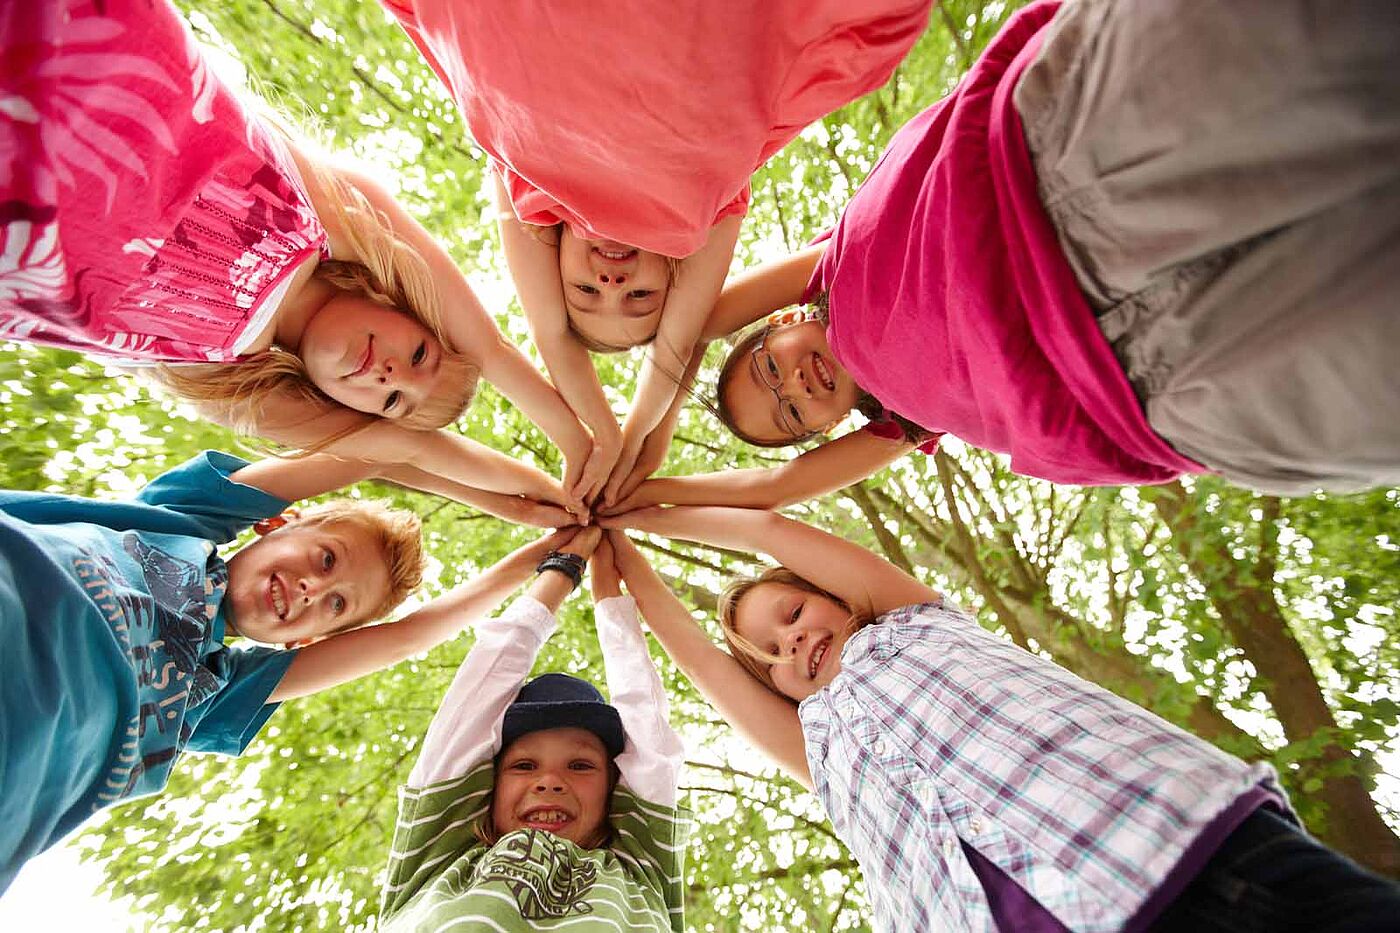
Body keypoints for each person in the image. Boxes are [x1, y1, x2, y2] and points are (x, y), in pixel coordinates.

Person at [611, 0, 1400, 512]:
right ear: (822, 429)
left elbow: (689, 325)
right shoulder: (899, 423)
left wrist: (645, 429)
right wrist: (651, 497)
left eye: (768, 370)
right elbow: (772, 489)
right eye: (791, 415)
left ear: (783, 323)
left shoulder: (825, 270)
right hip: (1142, 386)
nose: (794, 387)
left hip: (1058, 164)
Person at [597, 507, 1400, 931]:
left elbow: (766, 528)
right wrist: (613, 557)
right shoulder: (814, 743)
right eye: (772, 653)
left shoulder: (910, 621)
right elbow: (703, 663)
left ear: (836, 596)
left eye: (795, 611)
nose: (794, 640)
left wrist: (646, 511)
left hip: (1179, 846)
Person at [0, 0, 597, 511]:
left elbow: (410, 450)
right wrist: (580, 442)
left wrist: (529, 498)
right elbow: (488, 348)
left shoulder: (220, 370)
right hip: (76, 62)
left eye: (393, 402)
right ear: (402, 303)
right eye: (420, 353)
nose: (392, 377)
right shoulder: (325, 217)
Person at [378, 0, 934, 505]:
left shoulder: (530, 189)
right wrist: (639, 441)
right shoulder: (701, 214)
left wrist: (604, 434)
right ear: (676, 274)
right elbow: (687, 335)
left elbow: (548, 332)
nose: (612, 286)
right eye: (641, 297)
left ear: (553, 258)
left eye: (585, 291)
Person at [0, 447, 579, 892]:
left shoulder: (218, 692)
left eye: (336, 605)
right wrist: (520, 502)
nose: (312, 589)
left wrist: (553, 557)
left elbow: (407, 637)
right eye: (326, 558)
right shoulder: (177, 523)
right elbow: (373, 450)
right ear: (278, 522)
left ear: (307, 640)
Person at [379, 528, 689, 931]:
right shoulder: (439, 857)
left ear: (615, 792)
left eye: (580, 766)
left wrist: (609, 586)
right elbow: (474, 700)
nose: (550, 781)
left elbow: (648, 728)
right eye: (524, 765)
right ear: (486, 786)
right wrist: (565, 566)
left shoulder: (639, 869)